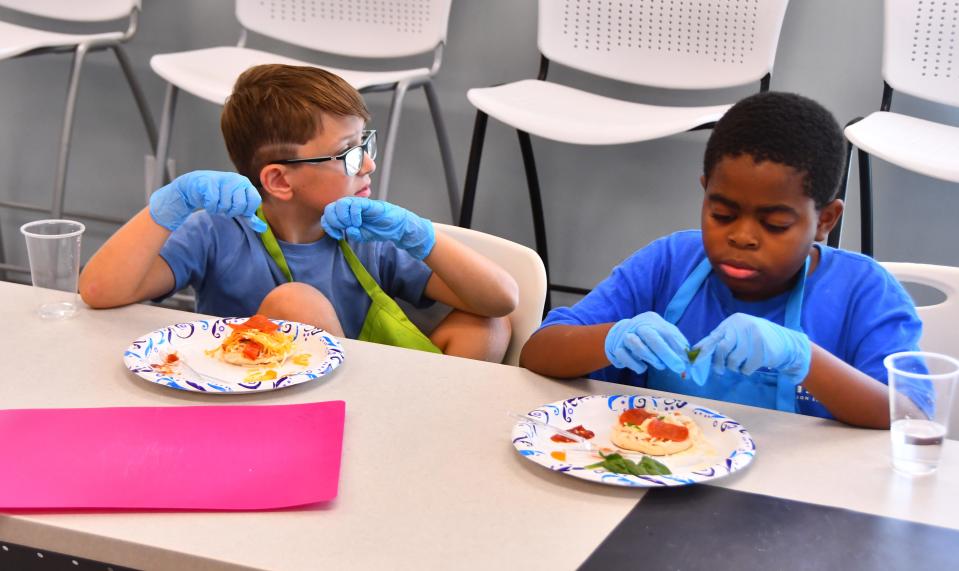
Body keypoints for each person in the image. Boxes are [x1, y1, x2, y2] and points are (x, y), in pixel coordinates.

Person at [520, 91, 922, 428]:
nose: (742, 237)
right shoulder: (669, 263)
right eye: (722, 215)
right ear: (704, 193)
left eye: (775, 224)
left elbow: (910, 418)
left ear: (825, 220)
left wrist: (803, 358)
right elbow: (537, 352)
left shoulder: (862, 291)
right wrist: (609, 339)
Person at [80, 64, 518, 362]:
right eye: (348, 154)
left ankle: (425, 434)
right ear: (280, 180)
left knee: (487, 324)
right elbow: (99, 291)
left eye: (365, 144)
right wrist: (168, 208)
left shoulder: (366, 232)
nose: (368, 164)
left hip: (377, 394)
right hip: (259, 402)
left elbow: (501, 301)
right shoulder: (216, 231)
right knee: (296, 301)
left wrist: (419, 234)